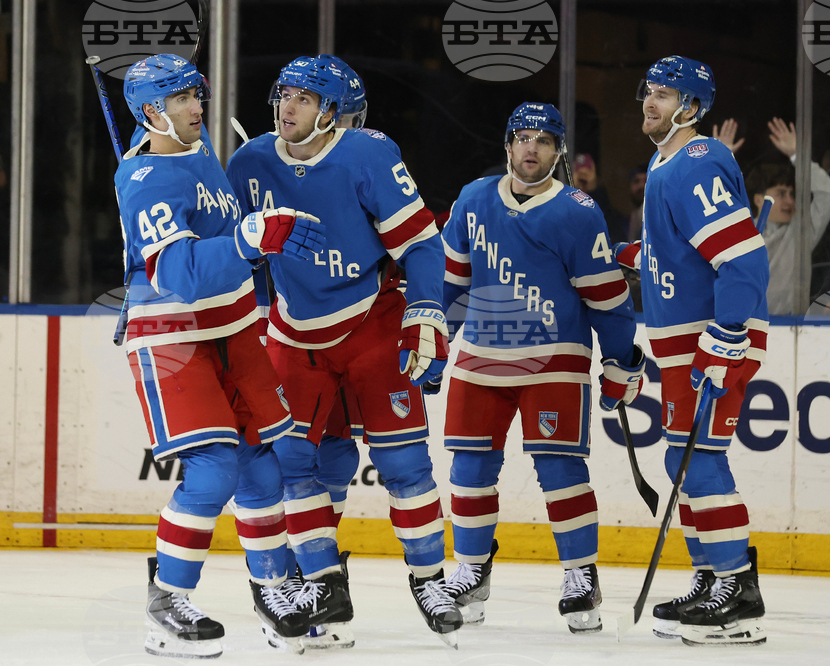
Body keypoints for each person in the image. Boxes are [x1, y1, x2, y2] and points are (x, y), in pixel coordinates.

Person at [225, 55, 462, 647]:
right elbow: (223, 245)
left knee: (405, 464)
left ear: (333, 115)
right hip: (292, 331)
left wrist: (425, 311)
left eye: (305, 99)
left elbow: (422, 245)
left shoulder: (367, 154)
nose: (289, 108)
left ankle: (429, 579)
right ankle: (323, 584)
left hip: (371, 323)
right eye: (285, 95)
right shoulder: (249, 161)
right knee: (293, 466)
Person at [116, 54, 325, 657]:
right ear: (153, 110)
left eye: (195, 96)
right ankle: (167, 600)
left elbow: (179, 145)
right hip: (174, 333)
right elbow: (178, 272)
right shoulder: (147, 181)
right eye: (182, 100)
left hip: (233, 326)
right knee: (213, 470)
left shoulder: (195, 140)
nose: (198, 108)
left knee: (262, 466)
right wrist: (247, 238)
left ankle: (274, 590)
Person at [438, 102, 644, 635]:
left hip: (554, 359)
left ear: (558, 153)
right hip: (480, 357)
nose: (532, 147)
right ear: (508, 145)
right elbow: (450, 287)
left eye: (544, 140)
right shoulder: (472, 199)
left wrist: (622, 361)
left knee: (560, 470)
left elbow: (607, 300)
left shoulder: (578, 211)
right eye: (523, 137)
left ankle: (581, 576)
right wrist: (432, 341)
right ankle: (471, 571)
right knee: (469, 469)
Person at [616, 56, 768, 646]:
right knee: (681, 462)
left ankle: (738, 593)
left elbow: (743, 257)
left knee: (700, 461)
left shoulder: (696, 163)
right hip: (686, 339)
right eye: (647, 91)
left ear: (691, 107)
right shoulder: (665, 164)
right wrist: (637, 257)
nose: (649, 103)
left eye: (663, 94)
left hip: (712, 338)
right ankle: (711, 579)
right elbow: (685, 251)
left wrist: (727, 334)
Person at [718, 117, 830, 315]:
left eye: (791, 194)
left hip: (789, 330)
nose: (789, 201)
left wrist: (797, 155)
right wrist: (719, 161)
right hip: (741, 330)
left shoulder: (800, 233)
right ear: (758, 199)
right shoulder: (736, 231)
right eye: (781, 194)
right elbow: (705, 204)